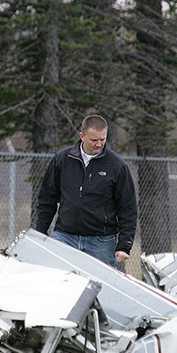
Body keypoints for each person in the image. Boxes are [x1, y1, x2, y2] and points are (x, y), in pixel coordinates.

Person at [33, 114, 137, 269]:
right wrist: (40, 233)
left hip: (102, 242)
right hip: (65, 236)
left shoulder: (117, 166)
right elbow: (47, 200)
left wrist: (124, 245)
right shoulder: (62, 160)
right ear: (82, 136)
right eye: (94, 140)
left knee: (102, 289)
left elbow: (127, 208)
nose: (99, 144)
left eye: (103, 139)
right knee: (57, 283)